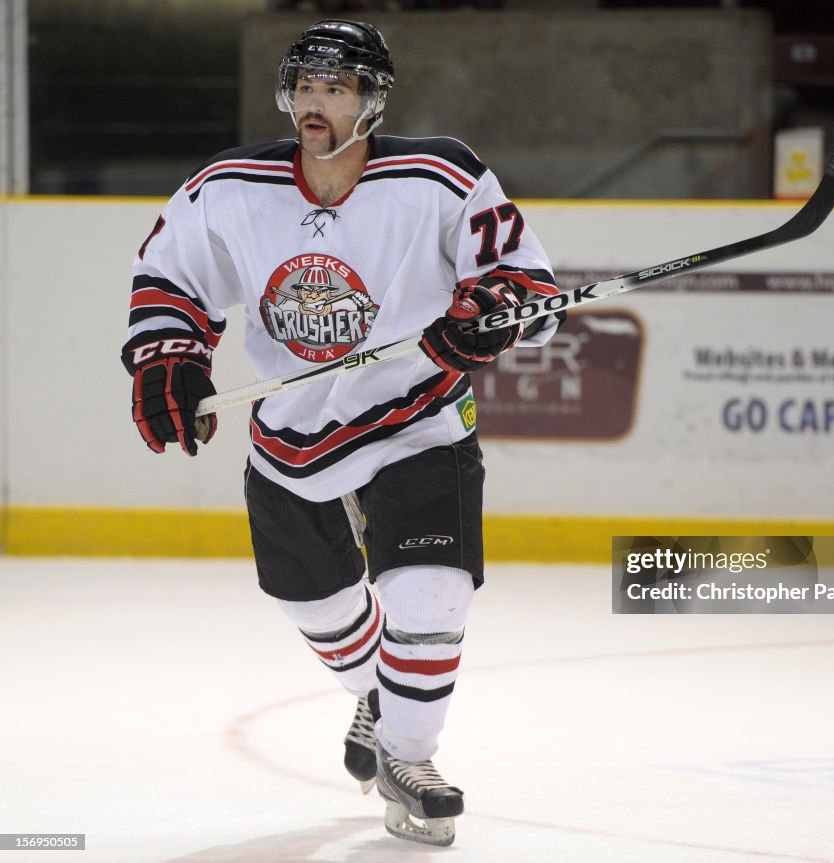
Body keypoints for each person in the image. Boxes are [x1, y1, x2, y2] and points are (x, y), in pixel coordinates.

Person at [121, 19, 559, 847]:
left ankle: (410, 756)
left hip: (416, 414)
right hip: (292, 432)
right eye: (307, 85)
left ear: (372, 99)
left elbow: (519, 282)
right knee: (311, 601)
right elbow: (170, 274)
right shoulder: (229, 186)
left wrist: (488, 317)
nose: (315, 103)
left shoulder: (441, 175)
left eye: (337, 87)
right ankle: (375, 692)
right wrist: (169, 353)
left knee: (433, 588)